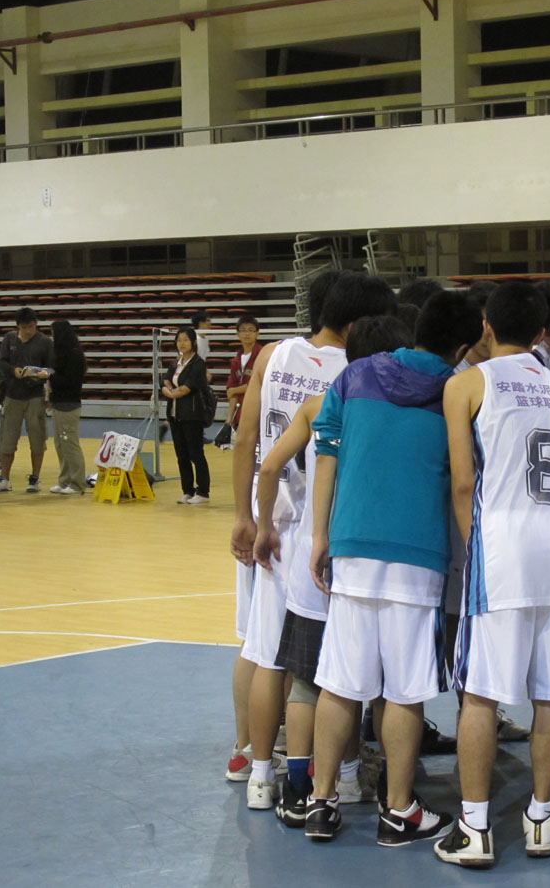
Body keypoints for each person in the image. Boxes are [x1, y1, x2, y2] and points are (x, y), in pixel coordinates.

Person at [304, 290, 482, 846]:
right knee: (404, 690)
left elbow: (326, 456)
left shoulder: (355, 376)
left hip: (351, 544)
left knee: (339, 683)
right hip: (418, 555)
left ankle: (321, 802)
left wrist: (320, 536)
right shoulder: (457, 391)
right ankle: (398, 811)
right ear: (462, 346)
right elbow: (466, 476)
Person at [435, 283, 550, 866]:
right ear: (542, 331)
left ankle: (474, 828)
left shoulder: (467, 383)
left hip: (503, 546)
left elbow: (462, 483)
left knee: (480, 694)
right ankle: (542, 820)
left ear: (485, 324)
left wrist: (475, 544)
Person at [230, 272, 396, 812]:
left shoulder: (272, 353)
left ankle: (257, 770)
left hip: (272, 518)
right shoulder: (359, 371)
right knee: (330, 668)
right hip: (323, 529)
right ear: (358, 322)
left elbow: (247, 439)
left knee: (264, 654)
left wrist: (245, 514)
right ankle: (340, 772)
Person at [0, 308, 53, 493]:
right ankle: (4, 477)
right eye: (24, 327)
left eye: (31, 326)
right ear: (17, 326)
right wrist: (14, 371)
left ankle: (35, 478)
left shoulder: (45, 342)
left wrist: (43, 374)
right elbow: (1, 363)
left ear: (36, 324)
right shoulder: (9, 339)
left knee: (37, 439)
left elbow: (52, 367)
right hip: (12, 395)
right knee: (8, 438)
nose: (28, 330)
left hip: (35, 396)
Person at [161, 327, 211, 504]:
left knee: (196, 454)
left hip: (192, 415)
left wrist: (171, 392)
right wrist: (169, 391)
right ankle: (187, 490)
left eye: (185, 340)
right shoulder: (176, 362)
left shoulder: (198, 364)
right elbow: (165, 380)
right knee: (181, 455)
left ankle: (203, 492)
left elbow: (187, 387)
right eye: (179, 340)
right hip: (175, 415)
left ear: (192, 342)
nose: (181, 343)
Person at [48, 320, 87, 495]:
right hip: (58, 404)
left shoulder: (75, 355)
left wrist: (49, 376)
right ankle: (64, 480)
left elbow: (70, 381)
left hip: (69, 405)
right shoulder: (59, 354)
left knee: (70, 444)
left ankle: (77, 483)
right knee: (60, 444)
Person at [221, 316, 262, 449]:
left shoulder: (263, 355)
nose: (247, 334)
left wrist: (234, 390)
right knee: (242, 451)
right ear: (237, 334)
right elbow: (231, 391)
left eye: (251, 330)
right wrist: (229, 420)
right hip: (239, 415)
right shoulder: (235, 361)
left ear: (257, 333)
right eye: (243, 330)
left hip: (258, 412)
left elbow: (257, 384)